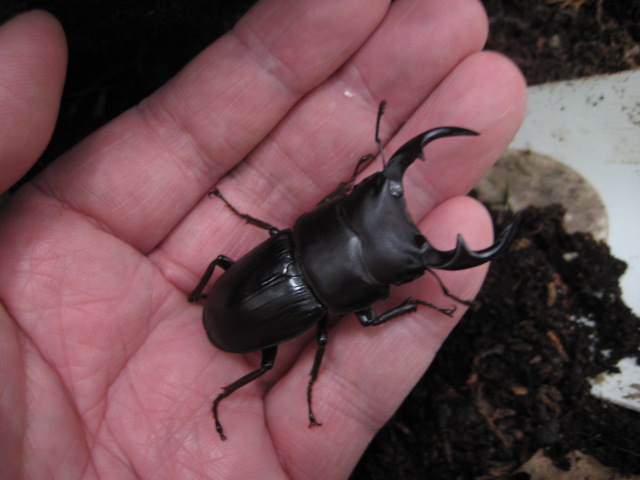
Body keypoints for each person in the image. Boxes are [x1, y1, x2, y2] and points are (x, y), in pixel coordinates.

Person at [0, 1, 526, 478]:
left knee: (241, 279)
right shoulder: (329, 288)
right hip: (254, 308)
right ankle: (220, 387)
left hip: (253, 293)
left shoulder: (289, 239)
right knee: (275, 354)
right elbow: (364, 312)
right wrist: (410, 306)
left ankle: (210, 349)